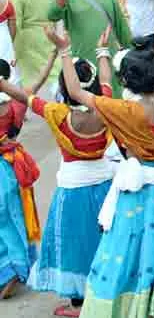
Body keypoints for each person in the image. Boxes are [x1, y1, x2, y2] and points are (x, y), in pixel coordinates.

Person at [66, 19, 154, 317]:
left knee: (129, 255)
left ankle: (134, 307)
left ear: (128, 82)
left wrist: (65, 51)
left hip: (138, 193)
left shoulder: (125, 111)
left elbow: (76, 92)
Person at [2, 31, 107, 316]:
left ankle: (79, 304)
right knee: (106, 241)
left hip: (72, 189)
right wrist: (102, 50)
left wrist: (1, 81)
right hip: (107, 184)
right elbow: (107, 80)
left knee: (74, 245)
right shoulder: (106, 104)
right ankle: (106, 294)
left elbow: (25, 95)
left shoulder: (57, 114)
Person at [0, 56, 50, 300]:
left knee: (4, 222)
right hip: (12, 168)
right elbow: (37, 84)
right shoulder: (15, 105)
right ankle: (19, 265)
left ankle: (10, 269)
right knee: (15, 217)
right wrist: (52, 56)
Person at [48, 0, 132, 97]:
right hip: (83, 66)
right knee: (87, 108)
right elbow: (52, 14)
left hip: (108, 59)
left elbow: (121, 27)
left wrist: (132, 53)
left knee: (112, 106)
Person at [8, 0, 59, 98]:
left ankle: (18, 108)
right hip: (47, 34)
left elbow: (15, 22)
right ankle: (62, 101)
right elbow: (54, 13)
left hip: (26, 39)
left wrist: (11, 45)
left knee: (19, 75)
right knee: (53, 71)